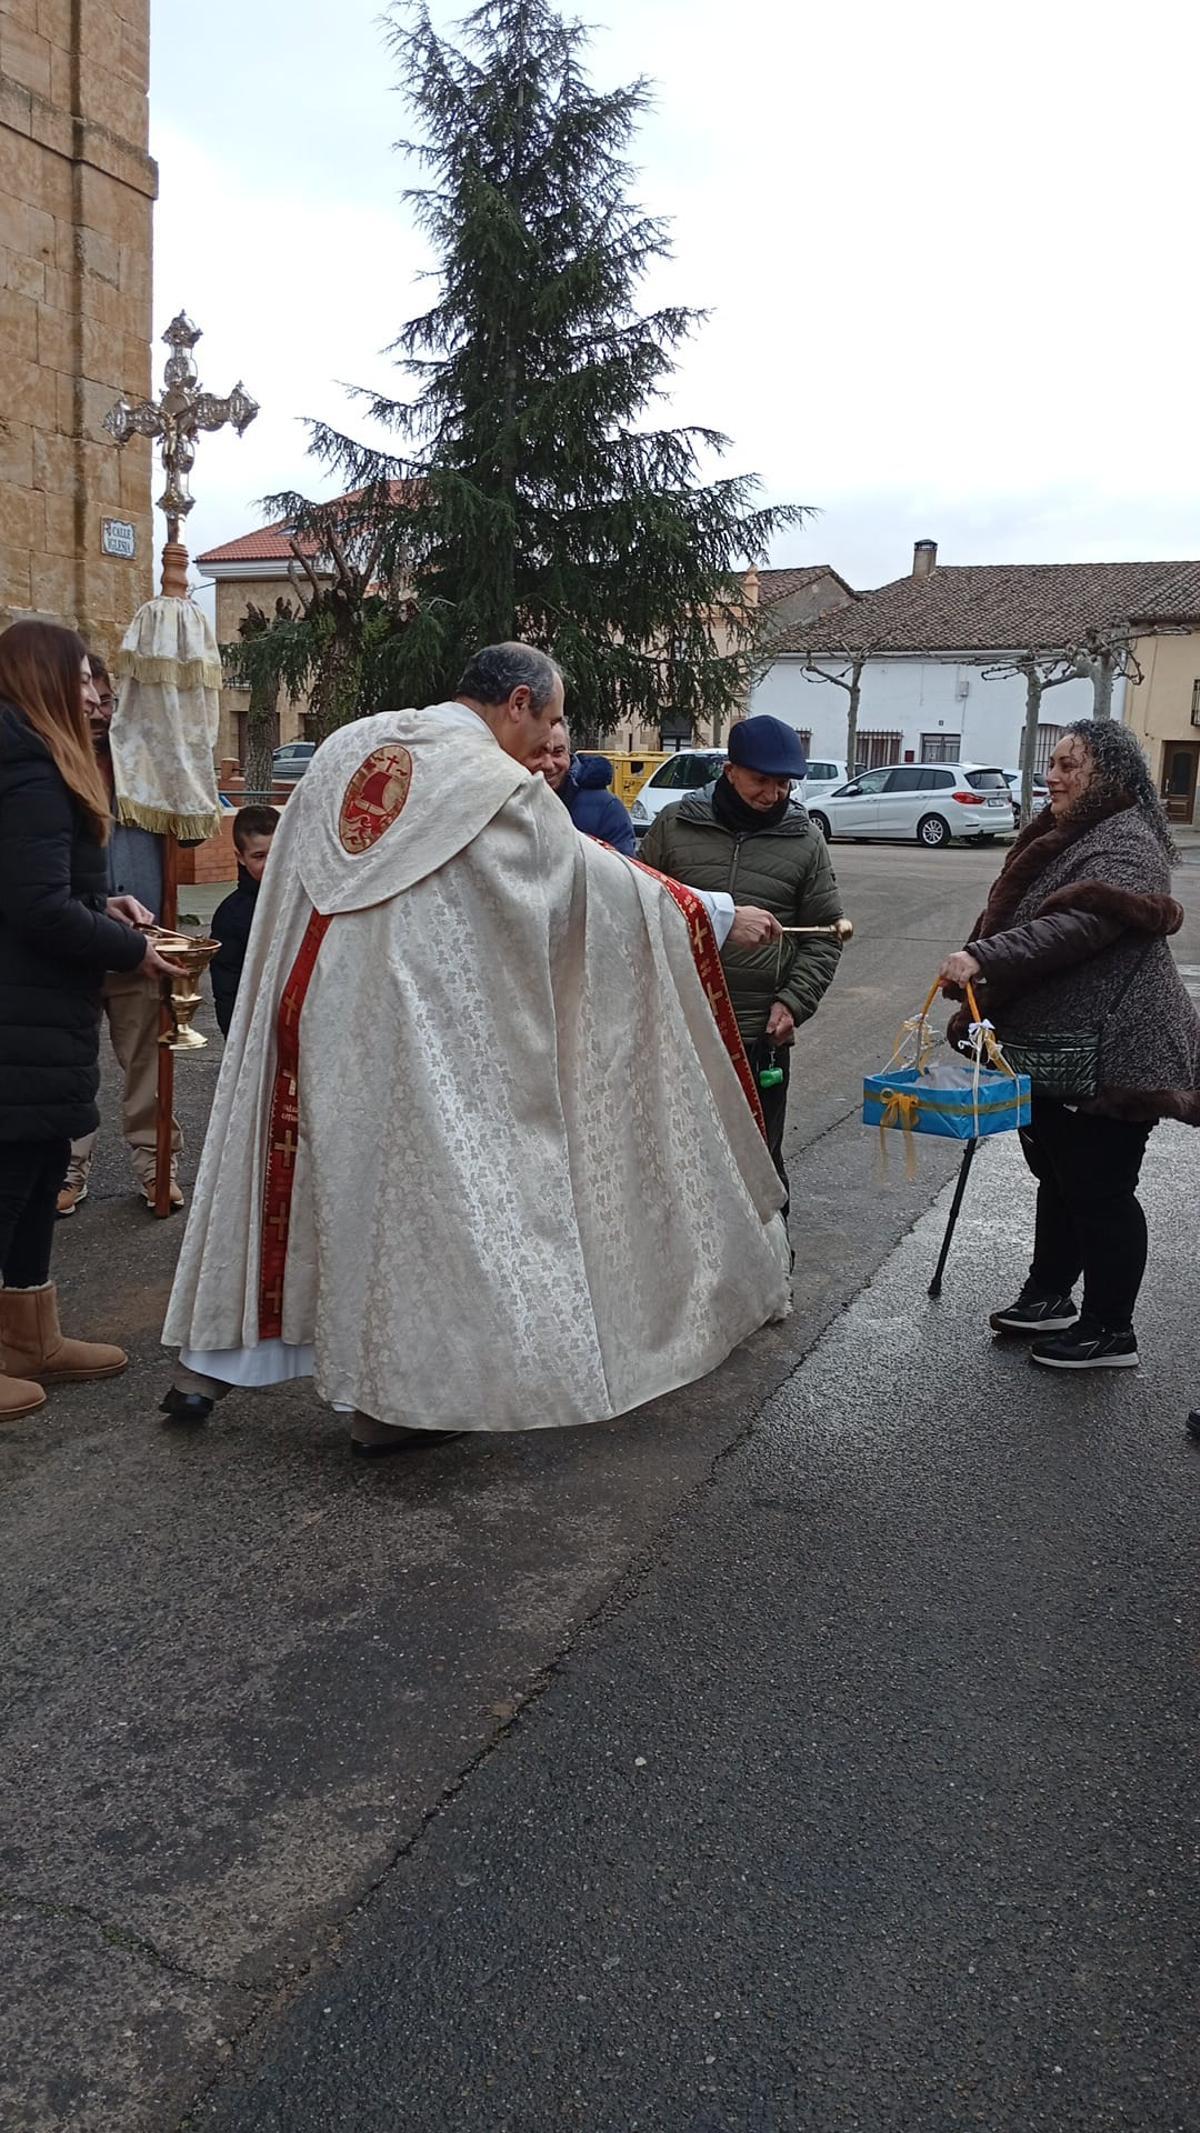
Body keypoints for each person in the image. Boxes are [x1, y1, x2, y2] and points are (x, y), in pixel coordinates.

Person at [161, 642, 790, 1457]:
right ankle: (390, 1408)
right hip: (405, 1038)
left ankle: (208, 1362)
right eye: (555, 720)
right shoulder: (491, 788)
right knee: (411, 1208)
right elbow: (583, 883)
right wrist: (707, 911)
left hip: (304, 1006)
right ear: (519, 701)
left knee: (298, 1177)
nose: (554, 741)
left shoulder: (355, 743)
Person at [938, 718, 1200, 1373]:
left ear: (1106, 774)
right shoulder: (1071, 831)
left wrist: (982, 956)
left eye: (1066, 765)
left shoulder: (1127, 839)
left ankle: (1111, 1331)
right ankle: (1050, 1295)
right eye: (1050, 763)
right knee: (1058, 1178)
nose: (1050, 775)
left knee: (1101, 1190)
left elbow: (1077, 926)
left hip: (1116, 1050)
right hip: (1062, 1047)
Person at [0, 620, 182, 1422]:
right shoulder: (30, 768)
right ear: (39, 680)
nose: (92, 695)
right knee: (10, 1175)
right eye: (79, 680)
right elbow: (34, 907)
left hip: (41, 1010)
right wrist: (126, 948)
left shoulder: (38, 763)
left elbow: (41, 890)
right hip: (19, 1010)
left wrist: (102, 903)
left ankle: (29, 1335)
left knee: (40, 1168)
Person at [638, 714, 844, 1213]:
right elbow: (639, 907)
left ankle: (771, 1274)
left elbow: (825, 935)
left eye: (784, 784)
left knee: (758, 1161)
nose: (773, 794)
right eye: (761, 781)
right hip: (682, 1028)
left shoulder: (805, 840)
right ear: (730, 771)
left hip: (757, 1037)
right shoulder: (675, 825)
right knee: (676, 1156)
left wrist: (793, 1002)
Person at [56, 652, 185, 1217]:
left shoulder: (142, 769)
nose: (99, 712)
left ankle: (157, 1164)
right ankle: (66, 1163)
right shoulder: (47, 766)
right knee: (65, 1062)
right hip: (68, 941)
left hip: (141, 940)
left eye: (108, 701)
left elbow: (185, 835)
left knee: (147, 1060)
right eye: (91, 698)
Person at [210, 805, 279, 1038]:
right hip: (255, 1030)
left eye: (278, 852)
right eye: (259, 856)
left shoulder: (311, 901)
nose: (271, 864)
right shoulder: (230, 915)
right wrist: (235, 1037)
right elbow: (227, 984)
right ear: (240, 857)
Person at [537, 719, 637, 855]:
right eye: (538, 753)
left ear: (569, 752)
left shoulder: (607, 809)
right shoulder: (507, 800)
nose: (548, 764)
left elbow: (623, 872)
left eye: (557, 752)